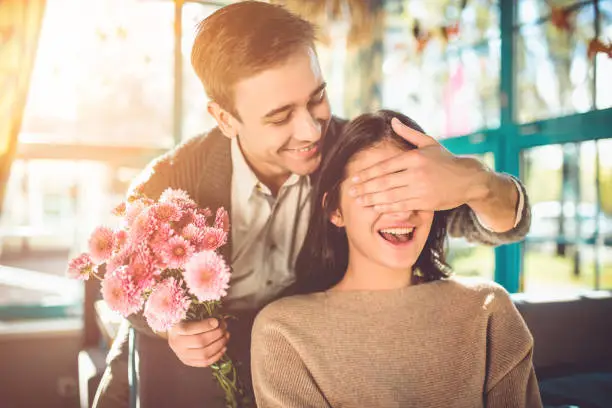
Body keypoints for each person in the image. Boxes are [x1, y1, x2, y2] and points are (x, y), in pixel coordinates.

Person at [92, 2, 532, 407]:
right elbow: (121, 286)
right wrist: (171, 327)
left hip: (298, 364)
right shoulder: (169, 184)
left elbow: (499, 224)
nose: (310, 131)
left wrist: (476, 182)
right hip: (175, 373)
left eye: (316, 98)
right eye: (280, 117)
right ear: (225, 118)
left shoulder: (355, 155)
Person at [251, 110, 542, 408]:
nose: (403, 212)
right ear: (334, 210)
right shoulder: (284, 331)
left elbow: (510, 217)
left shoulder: (487, 310)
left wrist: (475, 178)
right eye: (379, 192)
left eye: (412, 191)